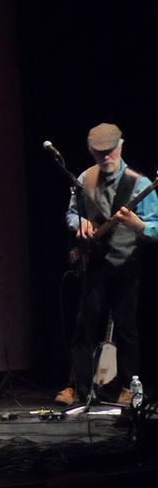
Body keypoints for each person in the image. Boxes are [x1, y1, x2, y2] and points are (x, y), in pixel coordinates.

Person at [56, 123, 158, 407]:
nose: (106, 158)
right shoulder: (84, 179)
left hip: (126, 263)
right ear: (91, 152)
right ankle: (78, 387)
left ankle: (128, 386)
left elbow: (156, 225)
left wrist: (139, 226)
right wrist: (80, 223)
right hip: (94, 263)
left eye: (111, 151)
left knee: (126, 328)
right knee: (84, 326)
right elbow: (72, 213)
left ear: (121, 146)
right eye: (99, 153)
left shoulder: (139, 183)